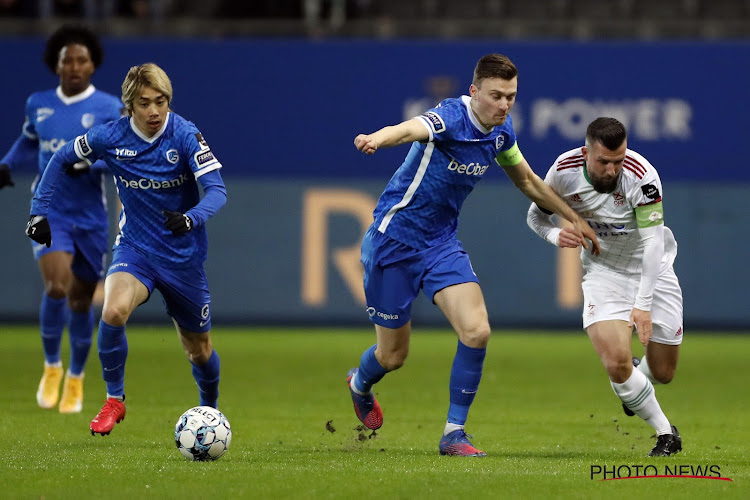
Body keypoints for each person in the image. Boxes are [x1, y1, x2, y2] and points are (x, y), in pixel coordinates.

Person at [347, 54, 601, 457]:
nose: (504, 105)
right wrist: (378, 138)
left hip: (441, 244)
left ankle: (454, 435)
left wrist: (574, 217)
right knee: (392, 356)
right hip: (394, 242)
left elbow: (529, 181)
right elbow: (410, 128)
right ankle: (360, 383)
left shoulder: (501, 133)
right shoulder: (449, 118)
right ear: (474, 91)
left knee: (477, 330)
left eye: (512, 97)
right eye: (496, 95)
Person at [25, 62, 227, 436]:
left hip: (183, 258)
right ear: (130, 106)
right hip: (135, 249)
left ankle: (210, 410)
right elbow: (60, 158)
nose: (154, 112)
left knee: (198, 350)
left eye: (161, 102)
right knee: (114, 310)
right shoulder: (109, 136)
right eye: (145, 103)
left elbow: (217, 190)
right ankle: (114, 400)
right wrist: (39, 212)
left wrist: (191, 217)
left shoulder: (185, 134)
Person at [526, 117, 683, 457]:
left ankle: (637, 381)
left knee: (663, 372)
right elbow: (535, 217)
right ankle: (665, 432)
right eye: (604, 161)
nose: (612, 170)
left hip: (651, 271)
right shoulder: (563, 171)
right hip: (603, 273)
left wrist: (642, 304)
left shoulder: (642, 176)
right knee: (615, 362)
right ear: (586, 153)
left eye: (618, 160)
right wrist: (556, 235)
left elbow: (654, 244)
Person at [0, 25, 122, 414]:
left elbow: (120, 153)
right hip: (49, 208)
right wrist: (6, 164)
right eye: (66, 59)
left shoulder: (107, 108)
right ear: (56, 64)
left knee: (82, 302)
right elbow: (28, 140)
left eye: (81, 60)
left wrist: (90, 161)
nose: (73, 66)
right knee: (56, 286)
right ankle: (52, 366)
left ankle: (76, 376)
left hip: (90, 216)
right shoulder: (38, 103)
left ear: (93, 65)